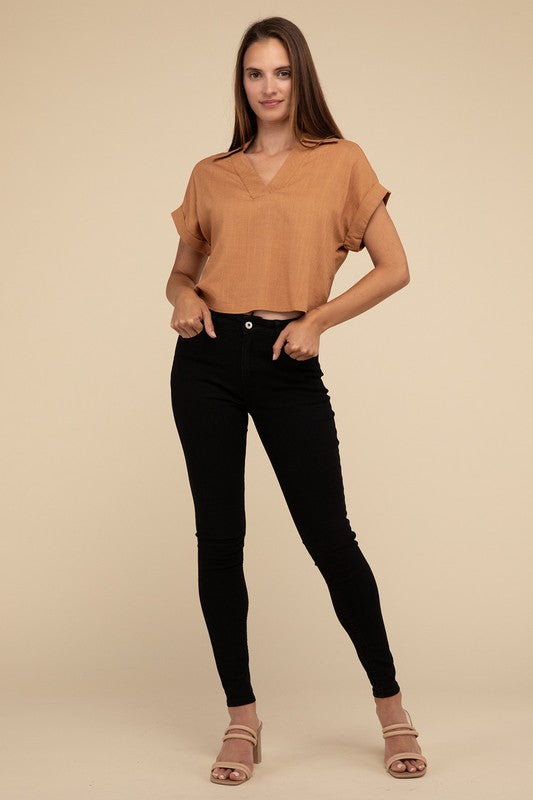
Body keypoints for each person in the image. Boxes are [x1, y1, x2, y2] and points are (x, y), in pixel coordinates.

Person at [165, 16, 427, 785]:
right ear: (240, 83)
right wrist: (181, 300)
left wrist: (317, 319)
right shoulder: (212, 171)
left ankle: (391, 708)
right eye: (254, 74)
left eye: (280, 73)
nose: (268, 87)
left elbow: (394, 266)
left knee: (329, 537)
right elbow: (180, 273)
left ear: (299, 78)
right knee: (219, 540)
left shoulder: (340, 161)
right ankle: (240, 720)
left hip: (287, 357)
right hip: (206, 361)